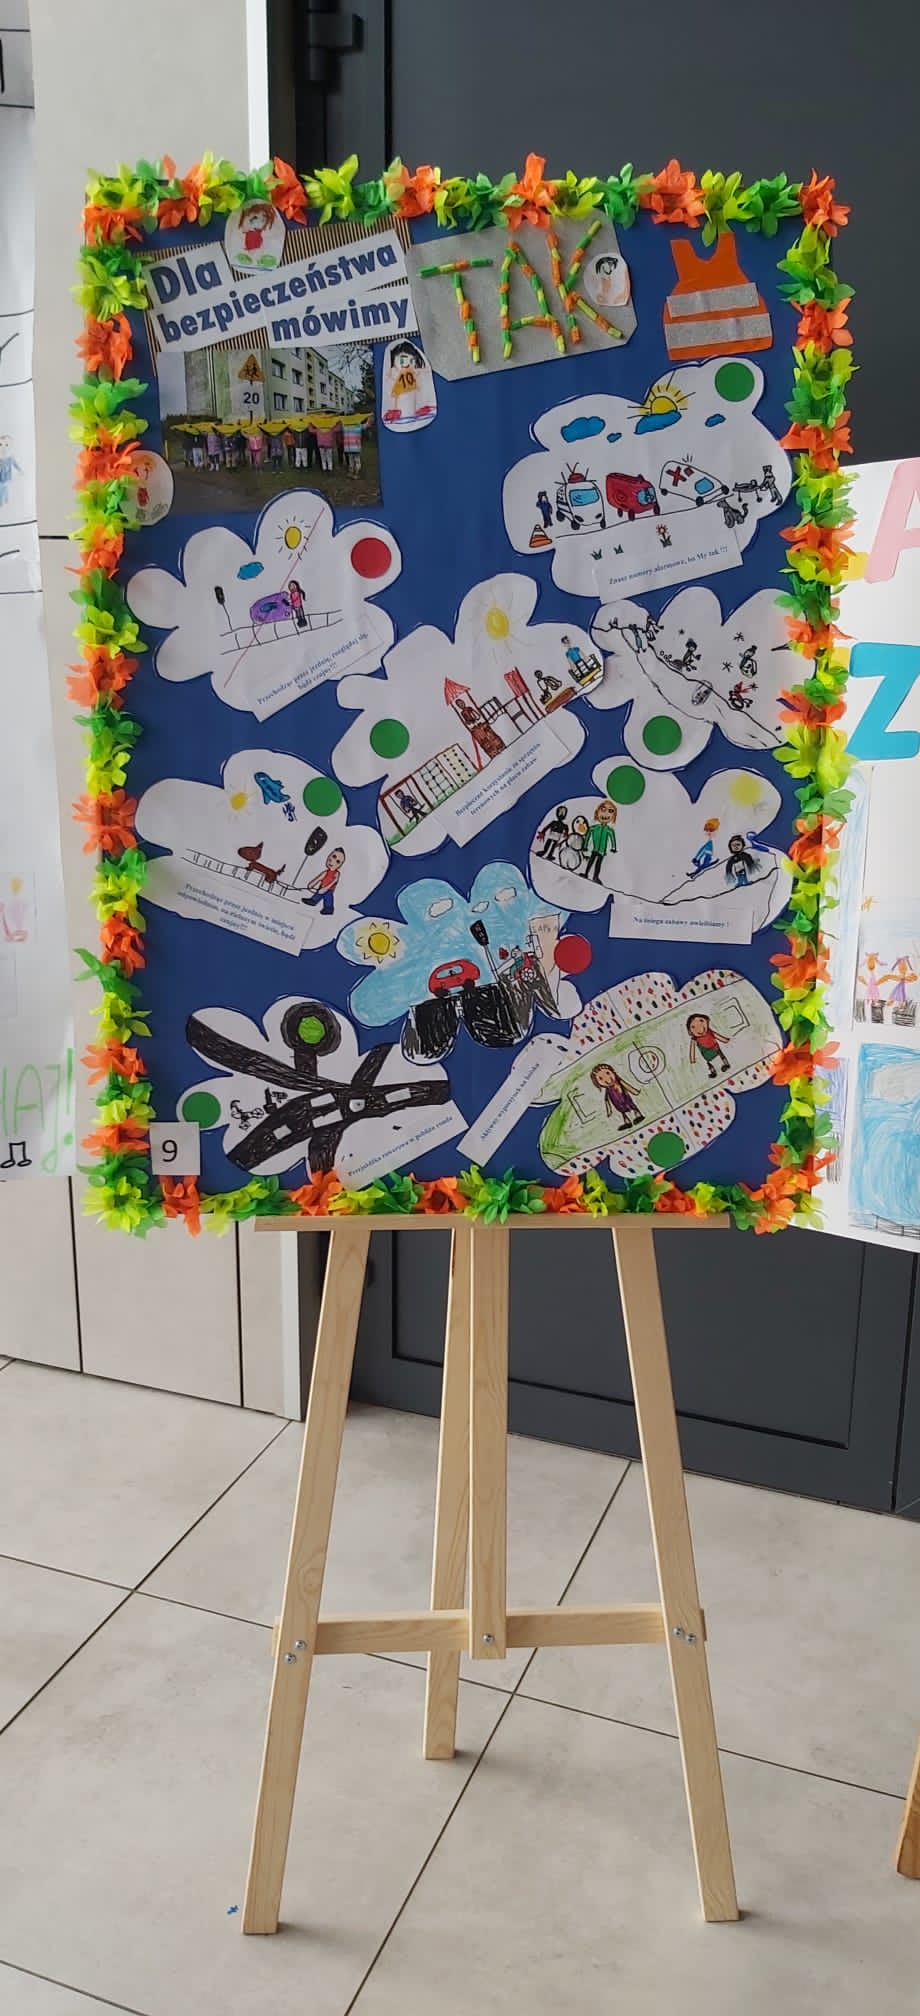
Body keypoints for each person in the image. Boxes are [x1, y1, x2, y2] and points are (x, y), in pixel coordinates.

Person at [590, 1061, 643, 1129]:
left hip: (626, 1099)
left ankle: (638, 1115)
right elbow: (606, 1100)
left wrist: (635, 1092)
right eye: (601, 1078)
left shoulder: (619, 1082)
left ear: (613, 1072)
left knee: (632, 1107)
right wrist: (609, 1110)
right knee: (623, 1112)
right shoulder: (608, 1090)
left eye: (608, 1073)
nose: (607, 1079)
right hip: (618, 1104)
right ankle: (627, 1122)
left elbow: (627, 1086)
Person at [302, 846, 345, 915]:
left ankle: (328, 908)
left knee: (328, 898)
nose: (333, 861)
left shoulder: (336, 874)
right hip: (322, 887)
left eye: (337, 861)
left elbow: (334, 881)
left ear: (340, 864)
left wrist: (325, 888)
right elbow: (319, 878)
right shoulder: (326, 872)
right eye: (333, 857)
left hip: (329, 889)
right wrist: (311, 884)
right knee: (318, 894)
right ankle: (313, 901)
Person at [687, 1011, 731, 1078]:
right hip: (706, 1053)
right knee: (710, 1063)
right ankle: (713, 1072)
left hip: (715, 1048)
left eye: (701, 1021)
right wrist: (692, 1059)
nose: (699, 1027)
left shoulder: (710, 1032)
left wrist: (725, 1040)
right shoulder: (694, 1039)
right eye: (693, 1027)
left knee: (721, 1057)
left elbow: (717, 1036)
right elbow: (692, 1049)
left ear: (707, 1021)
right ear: (690, 1031)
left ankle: (726, 1065)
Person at [582, 801, 617, 882]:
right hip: (595, 849)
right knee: (591, 861)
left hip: (602, 851)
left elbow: (612, 839)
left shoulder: (609, 830)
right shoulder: (594, 828)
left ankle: (595, 877)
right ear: (597, 812)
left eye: (610, 811)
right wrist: (585, 846)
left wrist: (613, 848)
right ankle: (586, 873)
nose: (606, 813)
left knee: (598, 864)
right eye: (603, 809)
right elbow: (588, 836)